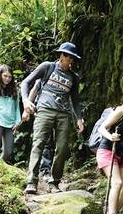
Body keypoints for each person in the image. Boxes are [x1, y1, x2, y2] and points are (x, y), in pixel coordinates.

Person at [20, 42, 84, 194]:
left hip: (64, 114)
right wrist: (26, 101)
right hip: (44, 110)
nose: (70, 60)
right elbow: (26, 82)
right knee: (38, 144)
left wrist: (79, 119)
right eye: (67, 56)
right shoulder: (47, 67)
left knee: (62, 148)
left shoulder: (73, 78)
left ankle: (54, 182)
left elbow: (75, 100)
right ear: (61, 55)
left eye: (72, 58)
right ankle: (31, 182)